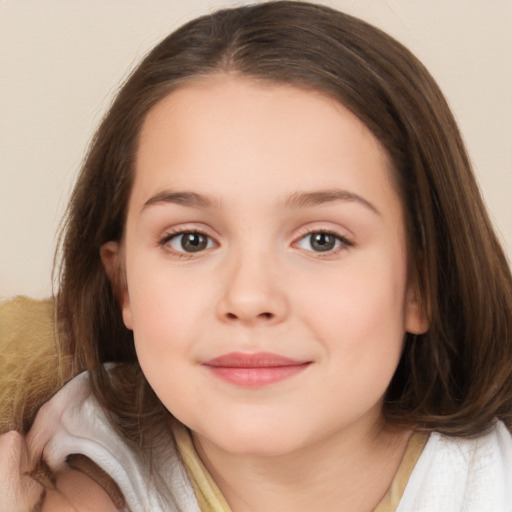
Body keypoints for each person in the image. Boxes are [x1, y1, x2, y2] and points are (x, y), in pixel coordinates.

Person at [1, 1, 511, 510]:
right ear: (125, 286)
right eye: (191, 240)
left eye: (322, 240)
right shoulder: (74, 464)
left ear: (422, 284)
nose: (248, 298)